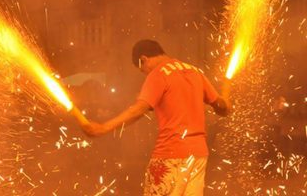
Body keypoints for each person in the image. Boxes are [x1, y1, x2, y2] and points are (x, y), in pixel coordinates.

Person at [77, 39, 232, 196]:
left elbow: (138, 110)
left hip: (170, 155)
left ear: (143, 59)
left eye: (142, 69)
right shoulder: (194, 72)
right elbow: (223, 108)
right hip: (198, 155)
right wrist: (226, 97)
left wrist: (103, 128)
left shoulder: (158, 74)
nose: (144, 73)